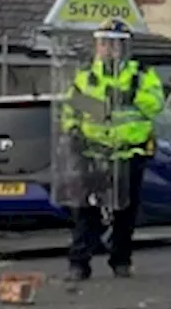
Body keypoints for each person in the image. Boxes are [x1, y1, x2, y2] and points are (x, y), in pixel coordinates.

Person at [60, 19, 164, 282]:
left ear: (124, 46)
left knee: (125, 212)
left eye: (113, 43)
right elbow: (72, 108)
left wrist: (134, 96)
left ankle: (121, 260)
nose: (108, 48)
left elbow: (156, 105)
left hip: (129, 153)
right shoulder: (86, 75)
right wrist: (73, 131)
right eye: (103, 43)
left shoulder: (140, 74)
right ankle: (79, 263)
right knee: (86, 210)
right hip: (93, 153)